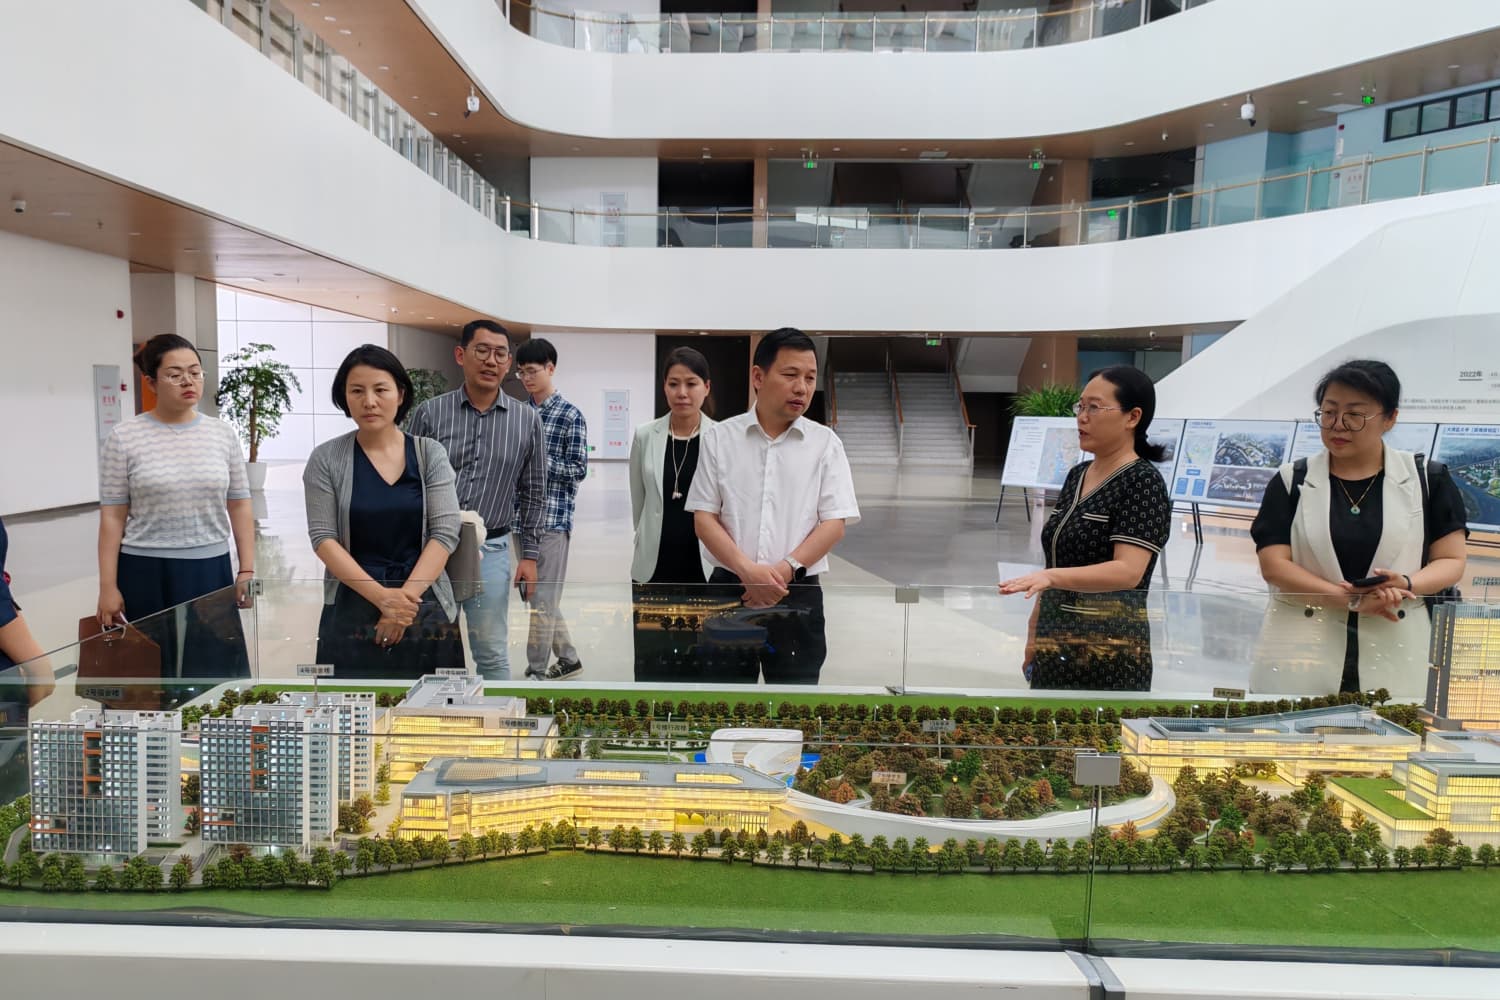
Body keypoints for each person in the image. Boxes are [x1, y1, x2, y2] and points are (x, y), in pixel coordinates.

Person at [1250, 360, 1467, 699]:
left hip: (1396, 643)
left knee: (1388, 728)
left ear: (1390, 418)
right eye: (1329, 412)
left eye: (1355, 414)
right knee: (1294, 729)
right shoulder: (1291, 480)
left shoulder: (1428, 479)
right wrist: (1348, 599)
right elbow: (1274, 565)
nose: (1338, 425)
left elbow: (1451, 560)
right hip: (1301, 647)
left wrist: (1406, 584)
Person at [687, 327, 860, 684]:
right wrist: (747, 572)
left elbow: (834, 524)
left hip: (797, 593)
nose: (802, 388)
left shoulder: (825, 444)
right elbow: (704, 518)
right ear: (758, 377)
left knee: (794, 703)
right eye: (791, 374)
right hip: (730, 591)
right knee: (725, 701)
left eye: (810, 378)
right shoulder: (720, 438)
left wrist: (783, 571)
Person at [999, 366, 1172, 691]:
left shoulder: (1142, 482)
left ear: (1133, 417)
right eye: (1081, 406)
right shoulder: (1077, 475)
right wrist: (1035, 628)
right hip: (1055, 638)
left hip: (1109, 648)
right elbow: (1056, 562)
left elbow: (1128, 571)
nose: (1082, 417)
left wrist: (1051, 577)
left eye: (1094, 407)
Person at [96, 334, 253, 686]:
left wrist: (246, 568)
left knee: (213, 665)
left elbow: (240, 503)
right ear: (151, 382)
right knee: (149, 672)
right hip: (144, 568)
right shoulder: (125, 437)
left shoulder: (222, 435)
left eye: (195, 373)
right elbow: (112, 516)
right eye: (175, 374)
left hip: (208, 566)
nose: (188, 381)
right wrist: (107, 586)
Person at [304, 344, 464, 678]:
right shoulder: (326, 458)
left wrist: (400, 605)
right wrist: (382, 599)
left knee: (432, 705)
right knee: (353, 704)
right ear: (344, 397)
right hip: (354, 602)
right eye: (357, 391)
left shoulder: (429, 453)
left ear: (400, 394)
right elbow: (323, 538)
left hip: (423, 602)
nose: (369, 401)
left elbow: (445, 533)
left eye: (380, 389)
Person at [406, 319, 545, 680]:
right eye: (481, 350)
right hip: (431, 548)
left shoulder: (527, 420)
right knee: (431, 645)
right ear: (461, 354)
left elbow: (533, 491)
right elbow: (408, 481)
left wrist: (529, 556)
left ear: (509, 362)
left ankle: (496, 714)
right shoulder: (430, 413)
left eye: (500, 354)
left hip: (492, 550)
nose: (491, 361)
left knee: (492, 651)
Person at [629, 347, 717, 682]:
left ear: (706, 387)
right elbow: (638, 500)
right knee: (651, 657)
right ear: (664, 387)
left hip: (703, 566)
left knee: (699, 660)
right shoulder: (644, 435)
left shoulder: (721, 437)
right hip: (654, 565)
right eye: (673, 383)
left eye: (691, 384)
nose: (682, 393)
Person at [514, 337, 589, 680]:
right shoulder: (517, 413)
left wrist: (538, 462)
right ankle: (569, 658)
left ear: (550, 368)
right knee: (538, 597)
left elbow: (578, 469)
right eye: (521, 372)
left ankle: (536, 669)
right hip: (520, 519)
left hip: (553, 520)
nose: (527, 378)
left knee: (542, 599)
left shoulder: (570, 415)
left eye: (532, 371)